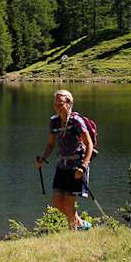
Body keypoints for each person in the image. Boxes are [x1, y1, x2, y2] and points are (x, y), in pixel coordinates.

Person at [36, 89, 94, 230]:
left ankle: (73, 232)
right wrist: (43, 159)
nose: (57, 106)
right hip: (61, 165)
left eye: (60, 103)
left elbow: (89, 144)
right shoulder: (54, 122)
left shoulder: (76, 121)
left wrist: (83, 166)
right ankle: (82, 225)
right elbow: (51, 144)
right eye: (55, 103)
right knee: (57, 204)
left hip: (76, 166)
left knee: (68, 204)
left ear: (69, 104)